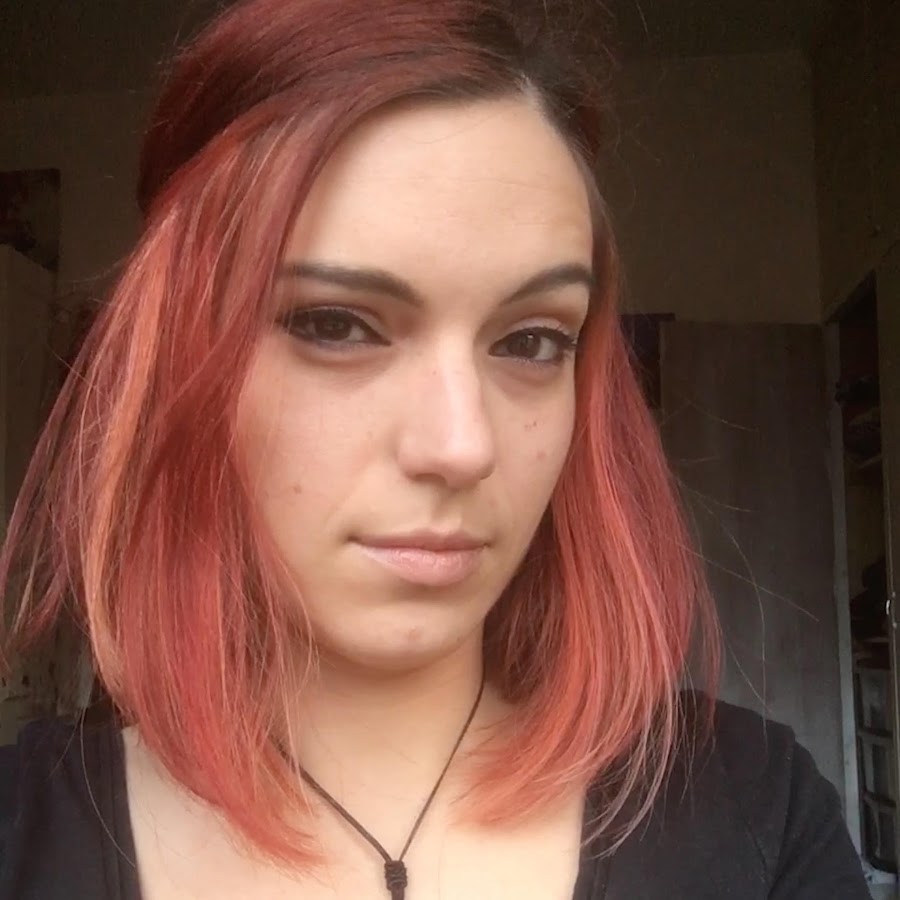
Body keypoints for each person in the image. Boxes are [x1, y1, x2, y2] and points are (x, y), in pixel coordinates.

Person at [0, 1, 869, 898]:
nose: (462, 447)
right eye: (335, 324)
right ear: (179, 360)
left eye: (532, 340)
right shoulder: (23, 836)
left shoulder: (758, 812)